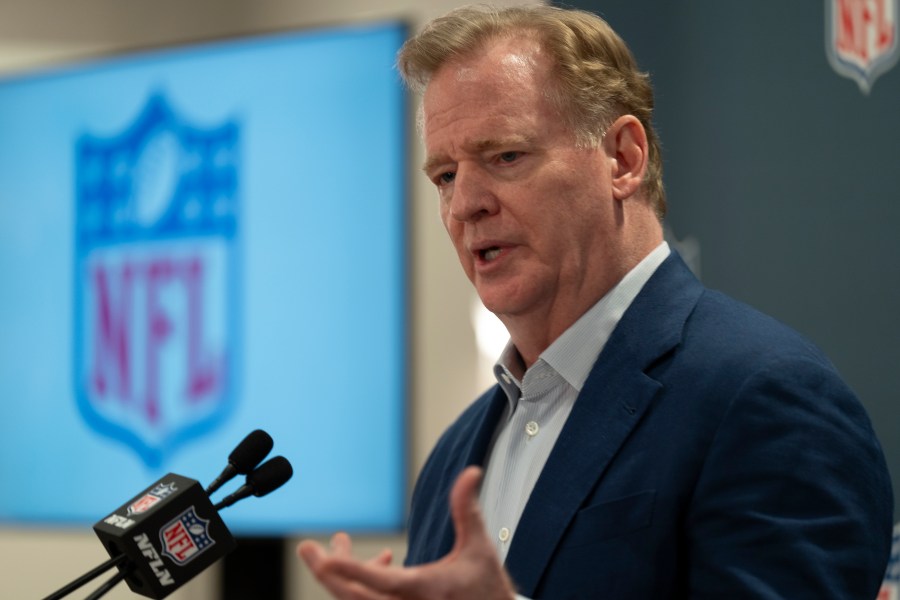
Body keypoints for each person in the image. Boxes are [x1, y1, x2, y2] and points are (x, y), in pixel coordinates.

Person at [297, 4, 894, 598]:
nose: (465, 205)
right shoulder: (453, 460)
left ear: (623, 158)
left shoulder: (765, 397)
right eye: (446, 175)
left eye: (505, 156)